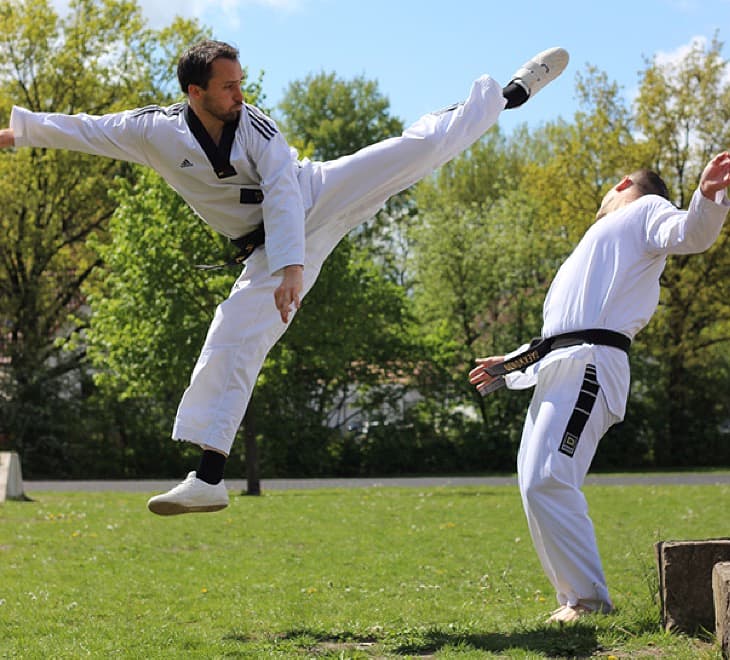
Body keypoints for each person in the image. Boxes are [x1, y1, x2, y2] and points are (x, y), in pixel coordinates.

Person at [0, 39, 569, 515]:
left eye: (240, 82)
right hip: (268, 250)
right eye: (227, 86)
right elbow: (89, 130)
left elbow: (279, 190)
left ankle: (510, 93)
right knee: (233, 333)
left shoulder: (257, 128)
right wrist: (18, 133)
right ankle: (208, 477)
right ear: (194, 92)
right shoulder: (155, 132)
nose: (239, 93)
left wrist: (292, 268)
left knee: (413, 151)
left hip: (311, 196)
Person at [469, 153, 730, 622]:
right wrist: (510, 364)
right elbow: (564, 329)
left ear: (624, 183)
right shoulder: (593, 244)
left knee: (549, 477)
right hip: (561, 366)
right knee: (534, 482)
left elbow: (692, 234)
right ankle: (574, 597)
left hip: (588, 367)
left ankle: (589, 602)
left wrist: (709, 198)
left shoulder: (645, 210)